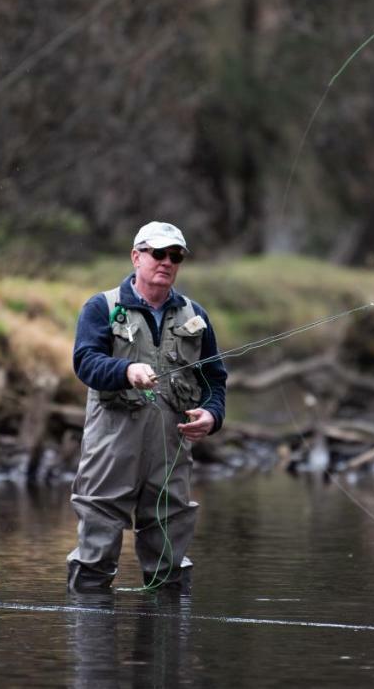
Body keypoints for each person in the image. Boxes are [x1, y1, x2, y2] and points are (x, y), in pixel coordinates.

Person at [66, 221, 227, 593]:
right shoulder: (102, 307)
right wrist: (126, 371)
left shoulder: (195, 315)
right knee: (94, 559)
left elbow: (214, 380)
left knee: (169, 565)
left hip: (170, 455)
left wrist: (212, 415)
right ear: (136, 256)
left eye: (175, 256)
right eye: (158, 253)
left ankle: (164, 646)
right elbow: (85, 362)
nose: (167, 262)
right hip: (110, 451)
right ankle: (93, 645)